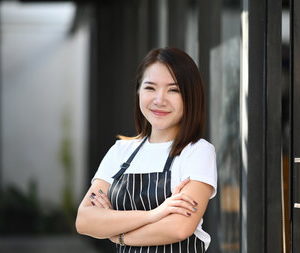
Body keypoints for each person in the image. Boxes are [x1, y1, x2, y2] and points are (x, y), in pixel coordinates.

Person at [75, 47, 217, 253]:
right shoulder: (120, 151)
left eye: (173, 90)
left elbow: (179, 227)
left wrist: (118, 234)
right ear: (139, 92)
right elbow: (85, 220)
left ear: (190, 97)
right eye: (150, 88)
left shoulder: (198, 152)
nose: (159, 99)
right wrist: (156, 214)